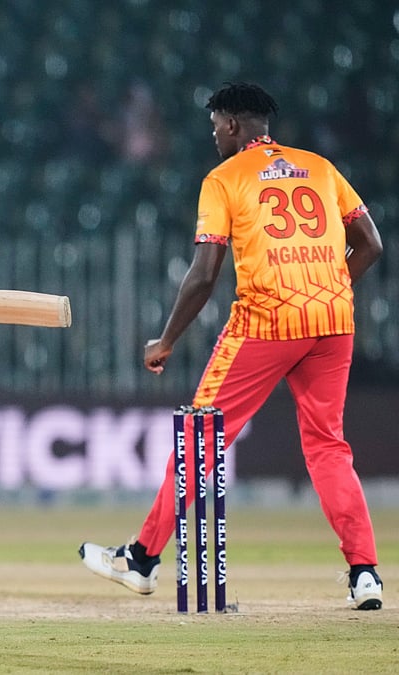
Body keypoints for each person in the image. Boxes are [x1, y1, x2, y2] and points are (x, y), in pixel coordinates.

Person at [80, 82, 385, 610]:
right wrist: (326, 288)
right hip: (333, 320)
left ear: (234, 126)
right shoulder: (319, 166)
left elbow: (203, 274)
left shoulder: (224, 179)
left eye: (216, 125)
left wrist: (166, 340)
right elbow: (372, 243)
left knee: (200, 440)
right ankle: (365, 575)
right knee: (329, 448)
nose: (214, 134)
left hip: (266, 321)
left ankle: (143, 559)